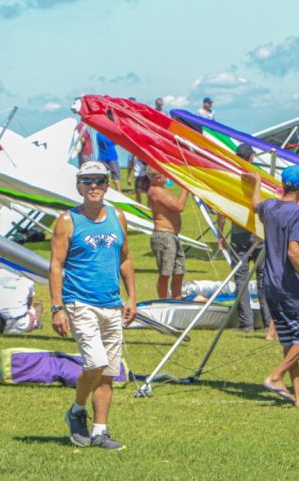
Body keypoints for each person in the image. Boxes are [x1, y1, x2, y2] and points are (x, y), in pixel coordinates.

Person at [50, 161, 137, 450]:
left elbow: (125, 258)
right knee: (95, 362)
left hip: (111, 303)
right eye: (87, 181)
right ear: (78, 185)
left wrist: (132, 296)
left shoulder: (118, 216)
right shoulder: (67, 220)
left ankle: (100, 431)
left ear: (108, 184)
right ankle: (77, 410)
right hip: (79, 302)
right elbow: (56, 265)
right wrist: (56, 307)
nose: (93, 186)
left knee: (109, 372)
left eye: (99, 180)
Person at [245, 164, 299, 407]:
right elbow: (294, 252)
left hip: (270, 284)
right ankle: (275, 376)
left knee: (291, 339)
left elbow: (255, 205)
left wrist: (257, 183)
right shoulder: (298, 214)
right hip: (291, 285)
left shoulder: (270, 207)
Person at [216, 144, 273, 336]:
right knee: (263, 280)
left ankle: (247, 323)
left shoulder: (232, 178)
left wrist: (220, 232)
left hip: (240, 234)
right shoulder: (261, 179)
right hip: (258, 233)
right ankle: (266, 322)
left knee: (241, 279)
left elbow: (222, 208)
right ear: (252, 158)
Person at [146, 166, 190, 299]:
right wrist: (186, 188)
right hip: (164, 236)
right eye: (163, 174)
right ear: (157, 178)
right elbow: (178, 206)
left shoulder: (162, 189)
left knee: (179, 270)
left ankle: (177, 297)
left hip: (172, 236)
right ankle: (163, 300)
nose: (167, 176)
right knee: (165, 273)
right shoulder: (156, 191)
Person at [0, 268, 41, 334]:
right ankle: (35, 321)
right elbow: (29, 302)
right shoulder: (27, 277)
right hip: (19, 324)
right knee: (31, 310)